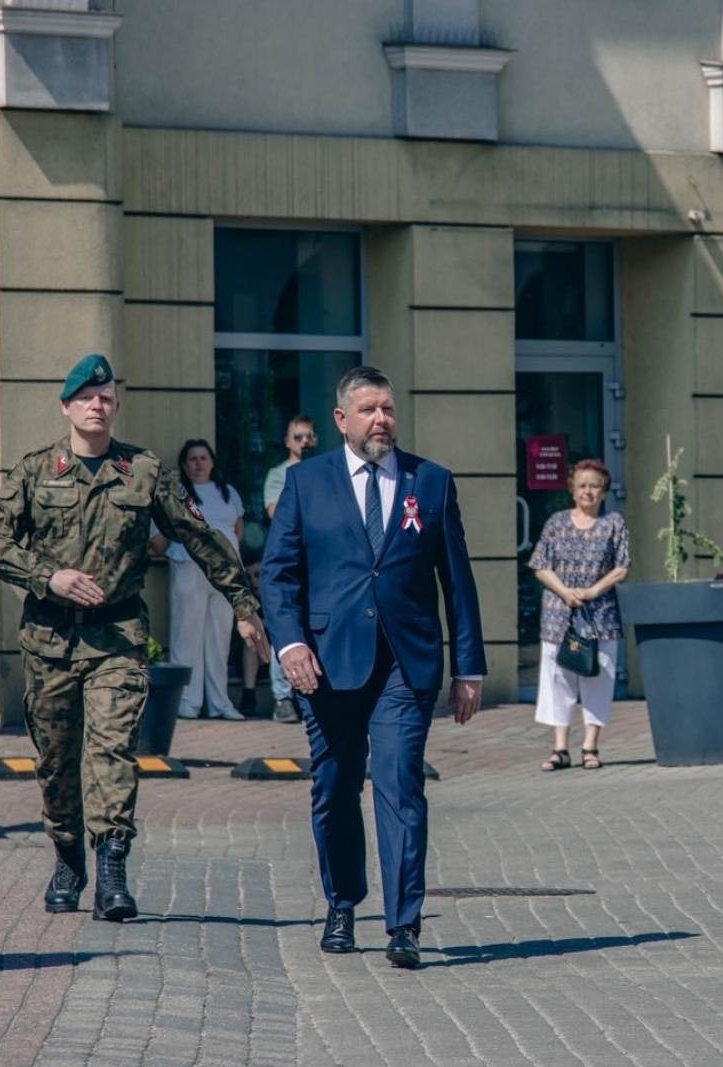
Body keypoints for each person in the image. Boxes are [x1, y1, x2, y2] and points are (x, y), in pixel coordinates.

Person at [0, 353, 267, 921]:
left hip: (118, 638)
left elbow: (199, 536)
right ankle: (68, 857)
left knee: (112, 751)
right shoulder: (36, 471)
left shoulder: (144, 471)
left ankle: (112, 866)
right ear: (66, 406)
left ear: (116, 407)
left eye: (106, 398)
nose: (97, 405)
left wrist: (242, 603)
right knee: (56, 762)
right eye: (86, 398)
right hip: (51, 641)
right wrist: (47, 577)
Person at [262, 365, 485, 970]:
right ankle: (341, 902)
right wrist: (291, 645)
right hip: (326, 665)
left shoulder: (430, 481)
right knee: (335, 788)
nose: (381, 419)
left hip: (405, 666)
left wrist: (469, 667)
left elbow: (458, 582)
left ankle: (404, 924)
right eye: (368, 410)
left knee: (400, 784)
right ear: (342, 419)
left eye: (387, 408)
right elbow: (278, 575)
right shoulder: (306, 483)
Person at [531, 458, 630, 771]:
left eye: (595, 486)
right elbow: (540, 566)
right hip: (559, 616)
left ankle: (590, 746)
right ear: (572, 489)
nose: (588, 491)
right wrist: (565, 592)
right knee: (557, 678)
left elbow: (622, 567)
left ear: (604, 492)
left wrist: (591, 592)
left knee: (599, 676)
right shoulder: (556, 523)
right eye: (582, 485)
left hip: (600, 616)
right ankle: (560, 749)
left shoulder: (613, 523)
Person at [150, 440, 248, 721]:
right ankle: (186, 701)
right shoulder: (176, 493)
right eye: (192, 459)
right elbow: (157, 535)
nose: (198, 463)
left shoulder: (228, 492)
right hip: (189, 565)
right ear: (184, 464)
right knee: (186, 634)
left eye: (203, 458)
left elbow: (237, 530)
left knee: (220, 637)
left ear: (212, 462)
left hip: (226, 572)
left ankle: (220, 703)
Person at [260, 415, 317, 723]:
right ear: (287, 441)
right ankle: (282, 696)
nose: (304, 442)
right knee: (285, 625)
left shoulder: (325, 472)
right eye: (298, 437)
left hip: (317, 561)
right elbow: (275, 512)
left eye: (309, 436)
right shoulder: (279, 474)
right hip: (289, 560)